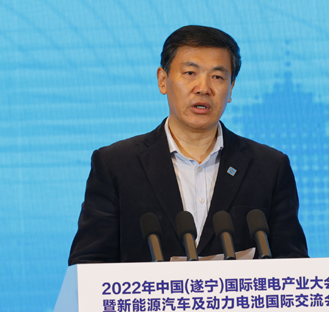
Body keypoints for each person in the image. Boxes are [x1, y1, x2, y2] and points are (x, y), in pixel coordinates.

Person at [68, 25, 307, 264]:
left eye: (217, 77)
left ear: (231, 88)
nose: (203, 88)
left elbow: (293, 262)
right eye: (190, 73)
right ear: (163, 80)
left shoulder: (268, 167)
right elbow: (88, 264)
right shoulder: (117, 165)